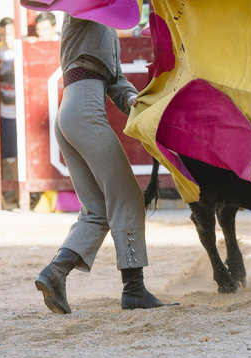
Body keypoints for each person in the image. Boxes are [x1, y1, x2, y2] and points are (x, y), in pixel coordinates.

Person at [35, 14, 177, 314]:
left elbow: (115, 82)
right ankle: (134, 289)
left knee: (97, 210)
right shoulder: (82, 10)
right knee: (126, 196)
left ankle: (55, 273)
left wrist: (132, 101)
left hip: (73, 111)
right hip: (84, 112)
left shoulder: (107, 26)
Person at [0, 17, 18, 187]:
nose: (6, 38)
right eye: (2, 35)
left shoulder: (24, 50)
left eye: (9, 34)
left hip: (21, 111)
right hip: (5, 111)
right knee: (10, 154)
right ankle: (15, 188)